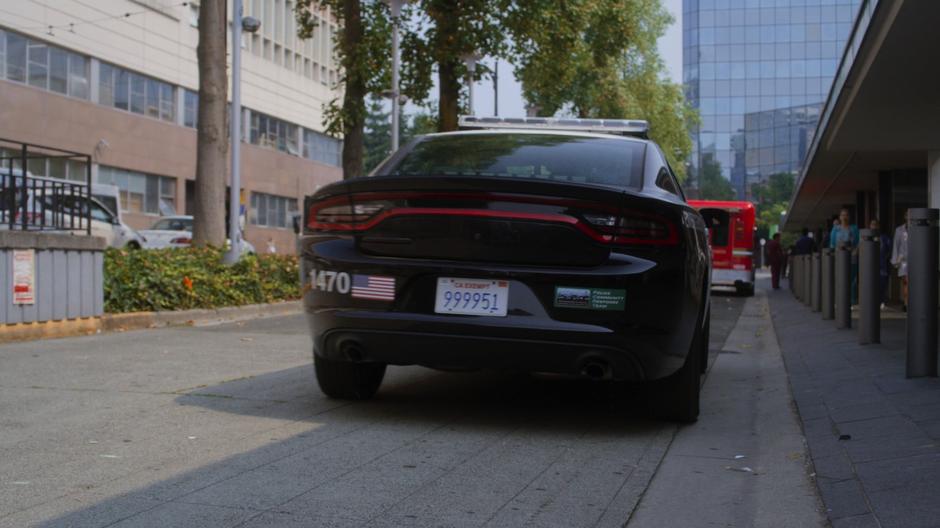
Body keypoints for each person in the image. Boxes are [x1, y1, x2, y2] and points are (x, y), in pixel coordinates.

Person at [830, 208, 860, 304]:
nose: (844, 217)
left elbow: (859, 242)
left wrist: (856, 251)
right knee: (840, 277)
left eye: (846, 215)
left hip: (851, 256)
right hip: (839, 257)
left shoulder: (854, 228)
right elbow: (832, 243)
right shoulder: (836, 229)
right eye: (842, 215)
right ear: (840, 217)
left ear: (849, 217)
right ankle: (840, 299)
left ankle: (852, 300)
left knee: (852, 279)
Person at [869, 219, 892, 309]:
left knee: (882, 284)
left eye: (876, 224)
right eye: (872, 224)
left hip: (882, 265)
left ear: (879, 226)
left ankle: (882, 301)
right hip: (870, 265)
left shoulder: (885, 238)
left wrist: (886, 258)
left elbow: (890, 250)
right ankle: (872, 301)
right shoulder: (867, 238)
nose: (874, 226)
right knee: (871, 284)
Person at [891, 209, 910, 311]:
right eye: (907, 215)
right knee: (906, 281)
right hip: (903, 260)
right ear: (905, 216)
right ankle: (906, 303)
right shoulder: (899, 230)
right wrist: (895, 260)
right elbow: (896, 245)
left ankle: (908, 302)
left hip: (914, 260)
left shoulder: (916, 229)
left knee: (911, 282)